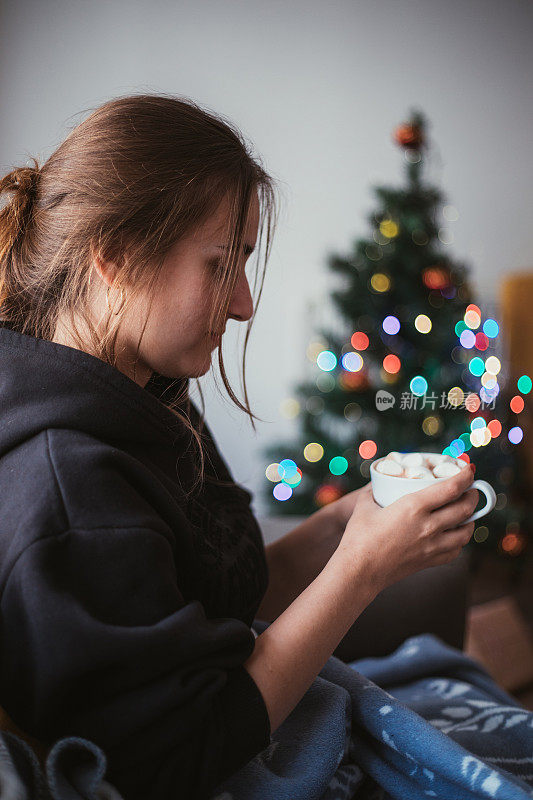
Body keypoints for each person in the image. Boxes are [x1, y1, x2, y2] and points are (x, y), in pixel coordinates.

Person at [0, 93, 479, 800]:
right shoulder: (72, 489)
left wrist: (338, 528)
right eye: (221, 263)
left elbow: (216, 603)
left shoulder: (148, 395)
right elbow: (183, 758)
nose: (243, 303)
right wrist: (360, 570)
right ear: (117, 257)